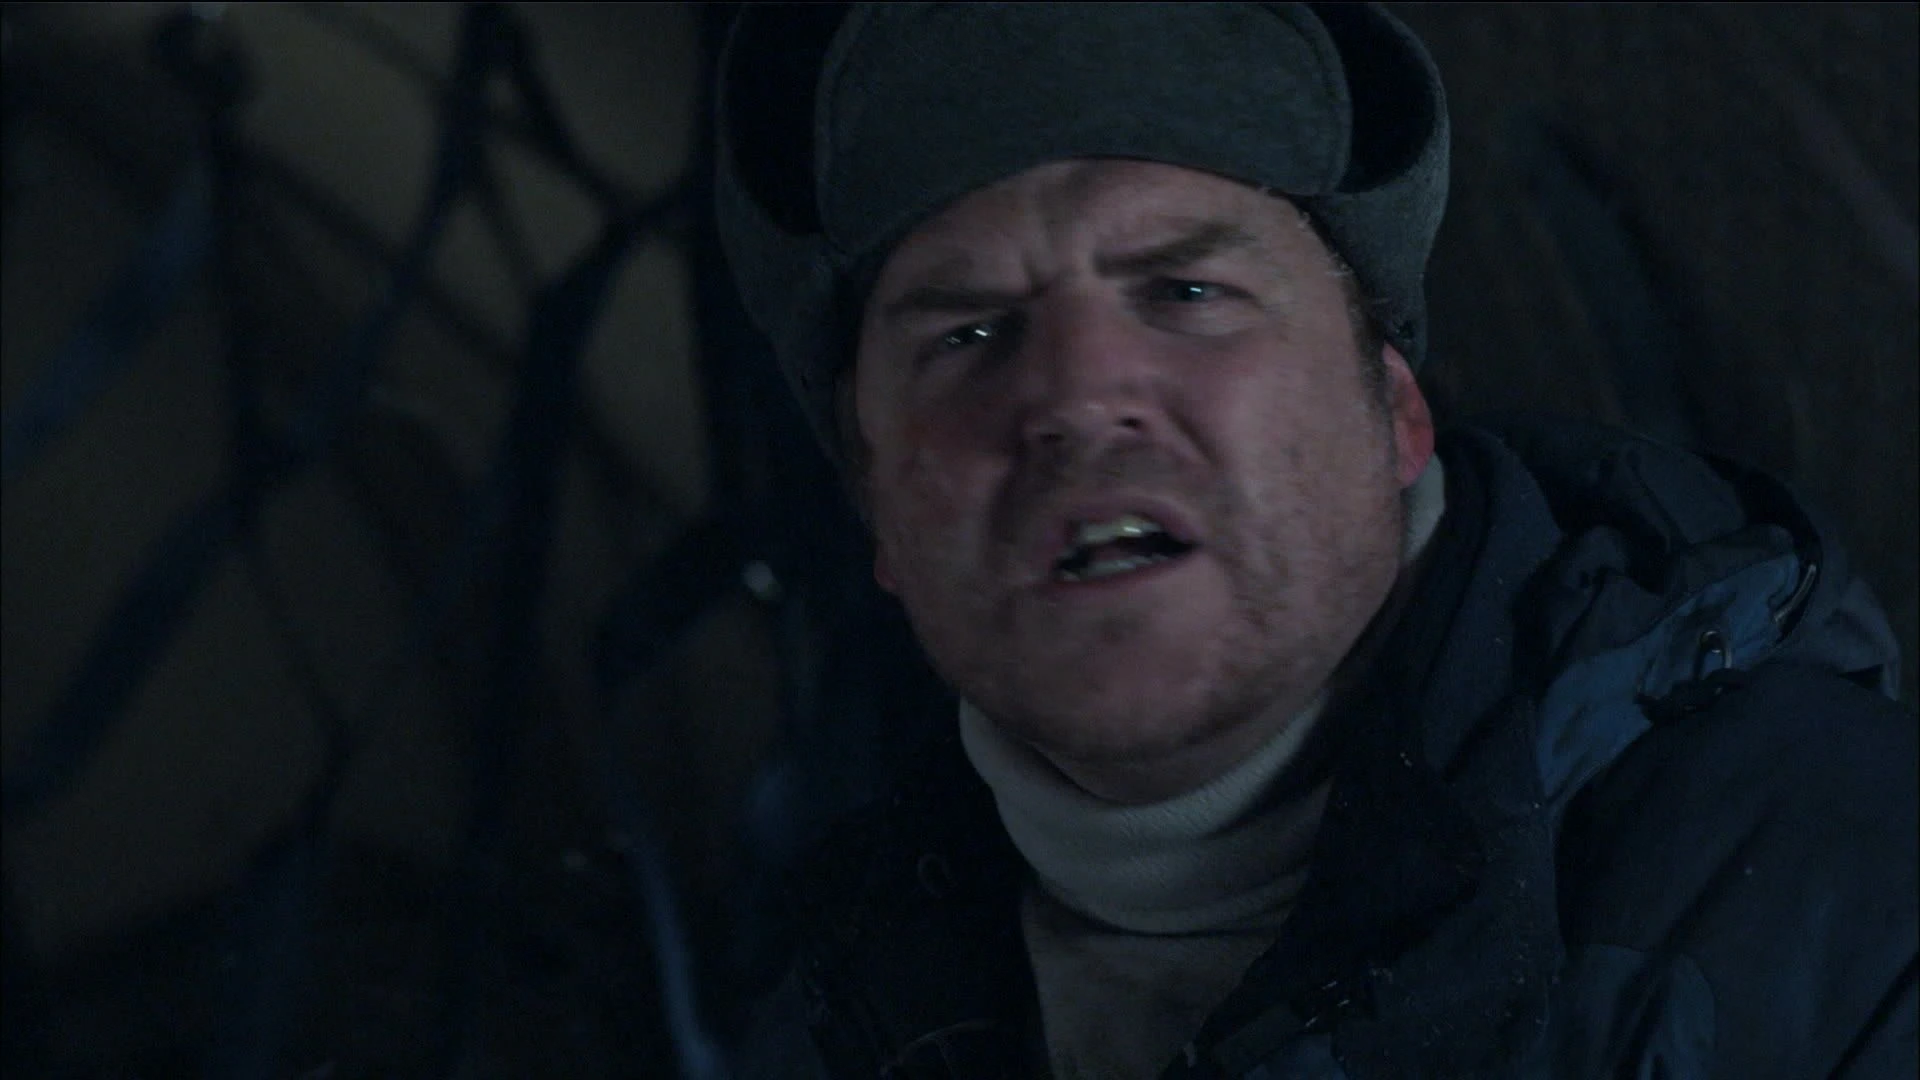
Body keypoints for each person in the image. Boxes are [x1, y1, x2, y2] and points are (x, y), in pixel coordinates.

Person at [710, 5, 1918, 1077]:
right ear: (879, 518)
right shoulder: (831, 1028)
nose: (1075, 390)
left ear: (1395, 416)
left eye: (1186, 292)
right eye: (967, 336)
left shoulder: (1837, 910)